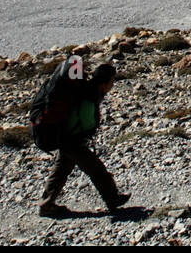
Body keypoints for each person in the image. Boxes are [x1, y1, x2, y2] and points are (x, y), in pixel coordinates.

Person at [38, 61, 130, 217]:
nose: (113, 85)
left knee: (60, 171)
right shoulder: (90, 95)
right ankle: (113, 199)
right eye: (112, 81)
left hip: (65, 137)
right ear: (104, 83)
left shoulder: (86, 90)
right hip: (73, 140)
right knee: (97, 170)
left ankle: (46, 205)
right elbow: (87, 122)